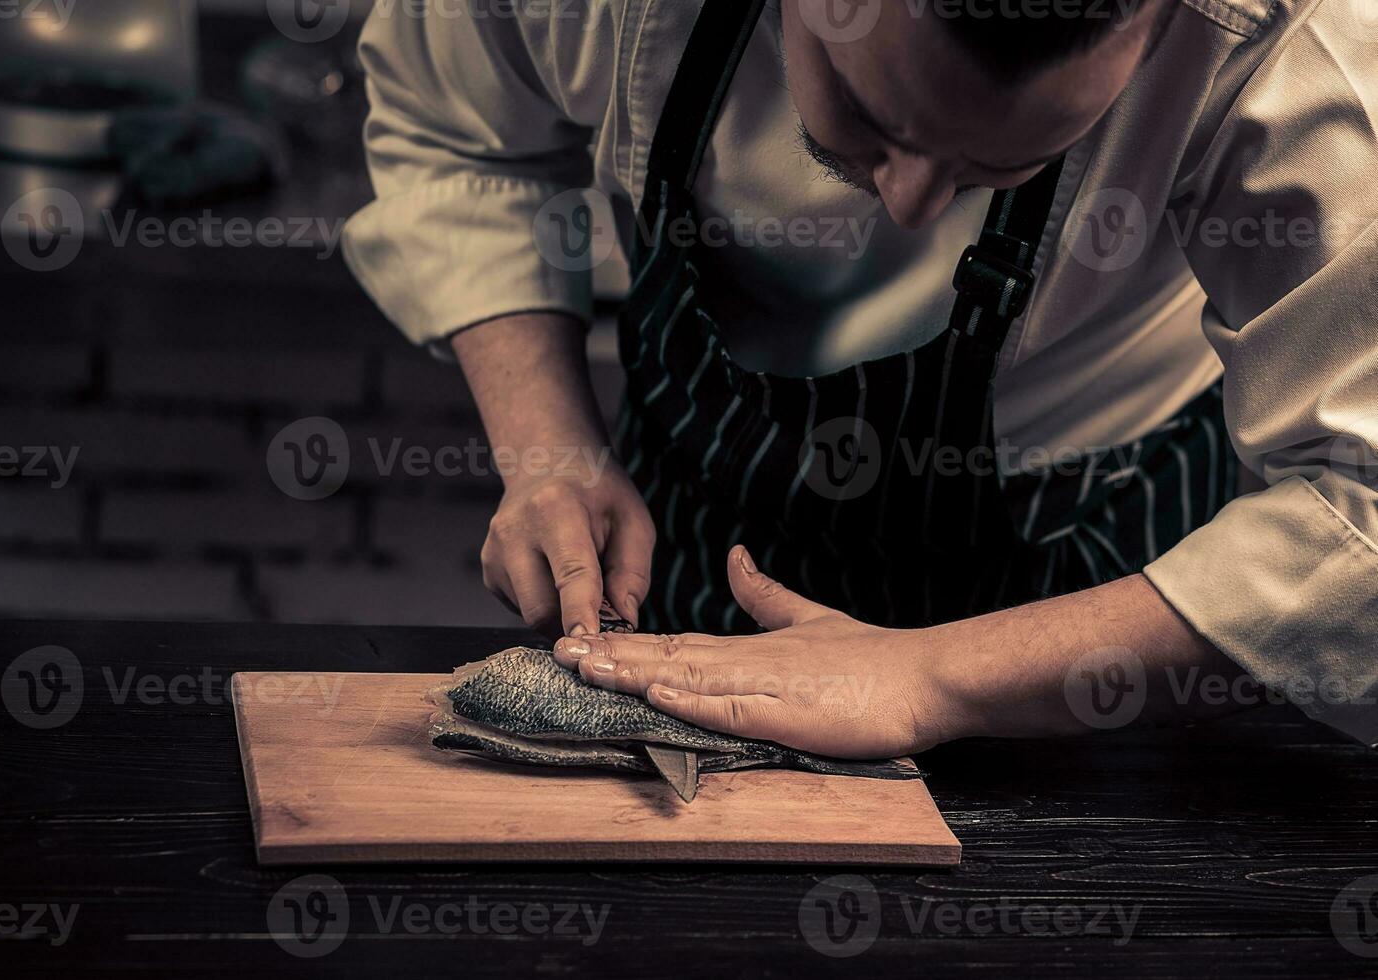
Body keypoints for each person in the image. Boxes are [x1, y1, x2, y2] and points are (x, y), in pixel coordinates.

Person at [343, 0, 1378, 757]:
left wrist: (931, 676)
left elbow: (1364, 519)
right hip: (694, 509)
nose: (915, 206)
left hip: (1082, 562)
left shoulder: (1299, 44)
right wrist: (551, 451)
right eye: (871, 118)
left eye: (997, 166)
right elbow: (463, 136)